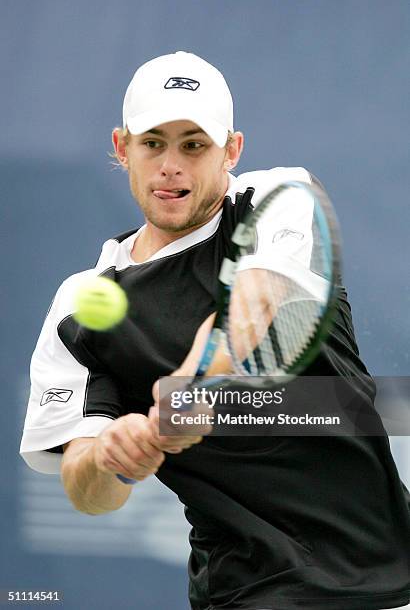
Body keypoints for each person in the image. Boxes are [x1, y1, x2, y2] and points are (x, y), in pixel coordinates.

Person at [20, 51, 409, 610]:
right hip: (242, 593)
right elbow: (87, 493)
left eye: (194, 144)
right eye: (153, 142)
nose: (170, 164)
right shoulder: (77, 308)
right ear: (121, 147)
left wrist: (193, 389)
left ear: (232, 151)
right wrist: (113, 455)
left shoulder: (277, 199)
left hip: (389, 582)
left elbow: (250, 311)